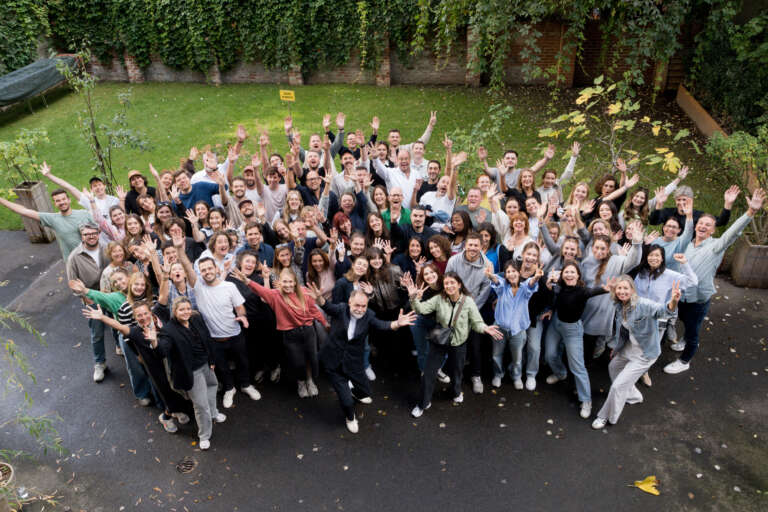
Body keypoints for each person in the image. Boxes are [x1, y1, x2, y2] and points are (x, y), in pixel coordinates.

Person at [664, 188, 766, 375]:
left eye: (708, 225)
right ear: (696, 226)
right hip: (682, 296)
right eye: (700, 223)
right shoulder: (688, 244)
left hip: (699, 298)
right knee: (684, 321)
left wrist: (750, 212)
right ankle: (684, 340)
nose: (703, 226)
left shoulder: (715, 246)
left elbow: (732, 233)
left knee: (693, 331)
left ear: (713, 229)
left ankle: (685, 360)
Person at [307, 284, 415, 433]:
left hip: (353, 362)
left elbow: (381, 325)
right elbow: (327, 306)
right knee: (347, 401)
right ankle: (350, 418)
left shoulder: (369, 315)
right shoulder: (340, 309)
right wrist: (319, 298)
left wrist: (397, 323)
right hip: (333, 362)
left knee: (365, 392)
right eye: (357, 305)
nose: (360, 309)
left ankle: (356, 392)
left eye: (363, 306)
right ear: (350, 303)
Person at [82, 302, 192, 433]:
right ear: (134, 318)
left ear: (150, 313)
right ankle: (166, 417)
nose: (143, 317)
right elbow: (119, 326)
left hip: (173, 365)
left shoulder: (160, 324)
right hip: (157, 371)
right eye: (139, 315)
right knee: (168, 395)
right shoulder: (135, 332)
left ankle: (177, 411)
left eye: (145, 313)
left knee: (180, 391)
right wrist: (102, 317)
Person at [405, 272, 503, 417]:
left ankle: (456, 392)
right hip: (440, 340)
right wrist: (413, 297)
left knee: (456, 372)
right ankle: (423, 403)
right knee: (429, 372)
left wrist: (485, 328)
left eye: (452, 282)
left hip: (459, 342)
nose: (449, 286)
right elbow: (421, 309)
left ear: (459, 284)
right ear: (443, 287)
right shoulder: (439, 299)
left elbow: (476, 322)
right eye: (446, 283)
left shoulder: (468, 301)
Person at [591, 278, 681, 429]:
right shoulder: (620, 305)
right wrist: (617, 347)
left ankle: (605, 416)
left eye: (626, 288)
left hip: (645, 354)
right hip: (628, 348)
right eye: (619, 288)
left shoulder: (643, 304)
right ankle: (633, 396)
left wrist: (673, 301)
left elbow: (664, 311)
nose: (622, 291)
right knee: (613, 367)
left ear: (632, 290)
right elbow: (624, 330)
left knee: (616, 387)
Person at [233, 266, 329, 398]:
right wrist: (247, 281)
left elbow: (314, 310)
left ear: (295, 282)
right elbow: (260, 290)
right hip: (290, 334)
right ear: (280, 282)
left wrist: (324, 323)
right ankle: (301, 382)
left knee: (310, 358)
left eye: (291, 282)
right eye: (285, 282)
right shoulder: (275, 295)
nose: (288, 285)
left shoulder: (304, 292)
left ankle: (309, 380)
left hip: (308, 331)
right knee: (297, 361)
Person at [544, 261, 613, 419]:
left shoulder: (582, 291)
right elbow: (556, 297)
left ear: (578, 275)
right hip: (556, 324)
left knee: (577, 367)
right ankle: (561, 373)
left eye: (572, 272)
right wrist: (550, 308)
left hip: (572, 330)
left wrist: (605, 289)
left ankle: (586, 400)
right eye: (566, 272)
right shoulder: (559, 287)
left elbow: (593, 291)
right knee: (549, 355)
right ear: (563, 275)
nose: (569, 275)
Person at [156, 297, 226, 450]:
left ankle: (214, 413)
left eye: (188, 308)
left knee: (212, 387)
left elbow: (206, 339)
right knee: (201, 405)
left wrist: (211, 360)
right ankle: (204, 435)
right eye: (181, 309)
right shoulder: (168, 330)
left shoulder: (195, 319)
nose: (186, 312)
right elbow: (163, 350)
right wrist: (154, 342)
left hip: (206, 364)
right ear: (175, 311)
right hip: (192, 372)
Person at [194, 257, 262, 408]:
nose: (207, 272)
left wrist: (243, 317)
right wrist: (179, 248)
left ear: (216, 269)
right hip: (214, 339)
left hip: (236, 334)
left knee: (243, 362)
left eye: (209, 268)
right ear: (200, 273)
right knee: (222, 367)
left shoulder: (229, 286)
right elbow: (186, 267)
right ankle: (229, 389)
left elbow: (239, 307)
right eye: (203, 270)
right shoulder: (199, 288)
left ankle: (246, 385)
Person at [0, 163, 94, 260]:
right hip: (72, 263)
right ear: (55, 204)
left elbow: (99, 230)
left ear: (69, 200)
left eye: (63, 199)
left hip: (91, 259)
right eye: (58, 201)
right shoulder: (53, 219)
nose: (62, 202)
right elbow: (24, 211)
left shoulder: (84, 214)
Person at [633, 247, 698, 386]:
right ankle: (632, 371)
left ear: (662, 258)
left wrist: (685, 264)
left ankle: (644, 371)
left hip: (658, 320)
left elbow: (693, 281)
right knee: (635, 345)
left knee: (652, 348)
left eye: (657, 255)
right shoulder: (640, 274)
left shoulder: (670, 275)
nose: (654, 258)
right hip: (639, 318)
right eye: (651, 255)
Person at [445, 231, 492, 394]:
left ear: (481, 246)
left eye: (476, 245)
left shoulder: (487, 265)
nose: (472, 248)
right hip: (453, 305)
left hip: (474, 308)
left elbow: (485, 291)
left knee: (475, 344)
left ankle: (476, 376)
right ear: (465, 245)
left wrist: (469, 311)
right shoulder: (453, 261)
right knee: (454, 342)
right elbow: (448, 283)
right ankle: (453, 373)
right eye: (470, 245)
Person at [486, 261, 543, 389]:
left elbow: (531, 284)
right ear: (505, 275)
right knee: (496, 354)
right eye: (508, 272)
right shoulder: (503, 288)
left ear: (519, 272)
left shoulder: (524, 289)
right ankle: (498, 374)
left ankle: (516, 376)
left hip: (518, 330)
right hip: (500, 326)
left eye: (513, 271)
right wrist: (491, 276)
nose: (511, 274)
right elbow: (496, 281)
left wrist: (536, 277)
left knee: (517, 357)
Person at [64, 222, 109, 381]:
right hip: (91, 298)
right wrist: (84, 297)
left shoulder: (107, 247)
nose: (91, 236)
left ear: (98, 233)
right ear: (82, 237)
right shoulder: (74, 257)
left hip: (110, 294)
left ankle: (120, 346)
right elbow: (72, 283)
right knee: (97, 333)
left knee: (118, 324)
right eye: (86, 234)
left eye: (93, 233)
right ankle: (99, 363)